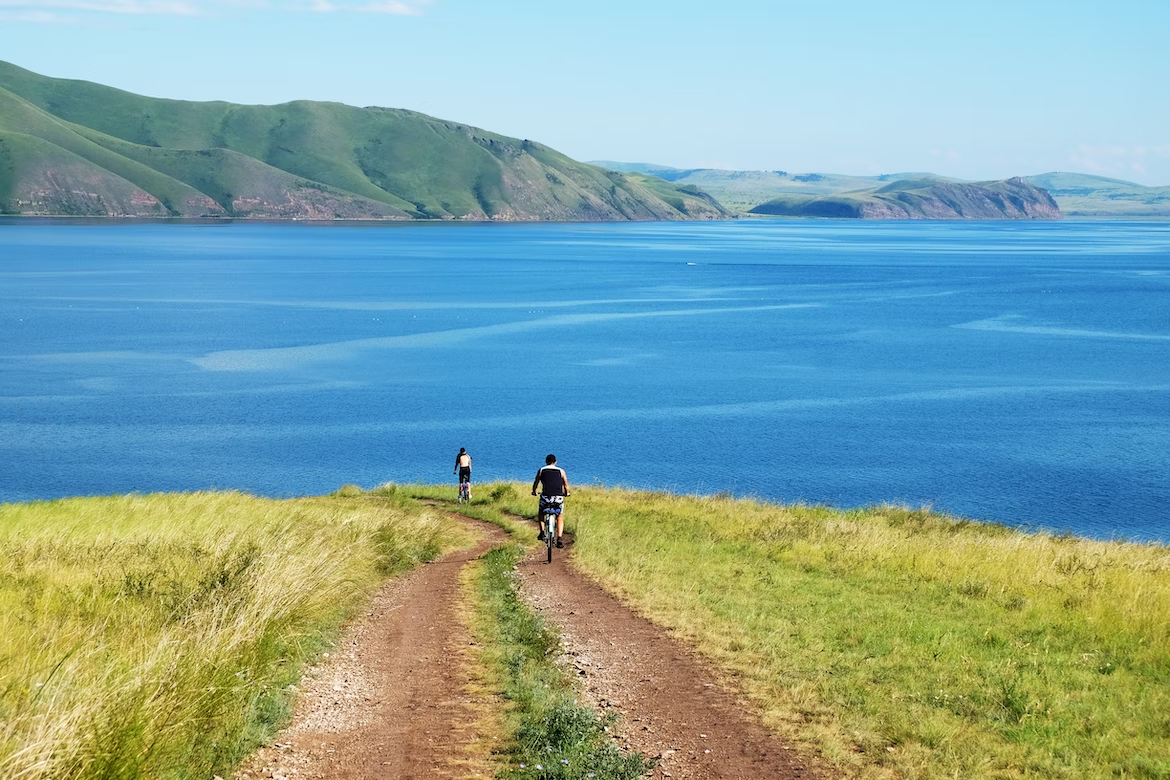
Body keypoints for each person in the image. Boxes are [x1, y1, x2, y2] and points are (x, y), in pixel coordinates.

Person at [532, 453, 570, 548]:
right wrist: (566, 493)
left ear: (546, 462)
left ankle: (542, 532)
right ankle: (560, 538)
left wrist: (534, 491)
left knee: (541, 513)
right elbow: (565, 484)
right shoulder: (561, 471)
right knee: (559, 516)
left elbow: (536, 482)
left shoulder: (542, 470)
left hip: (546, 497)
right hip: (558, 498)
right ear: (555, 462)